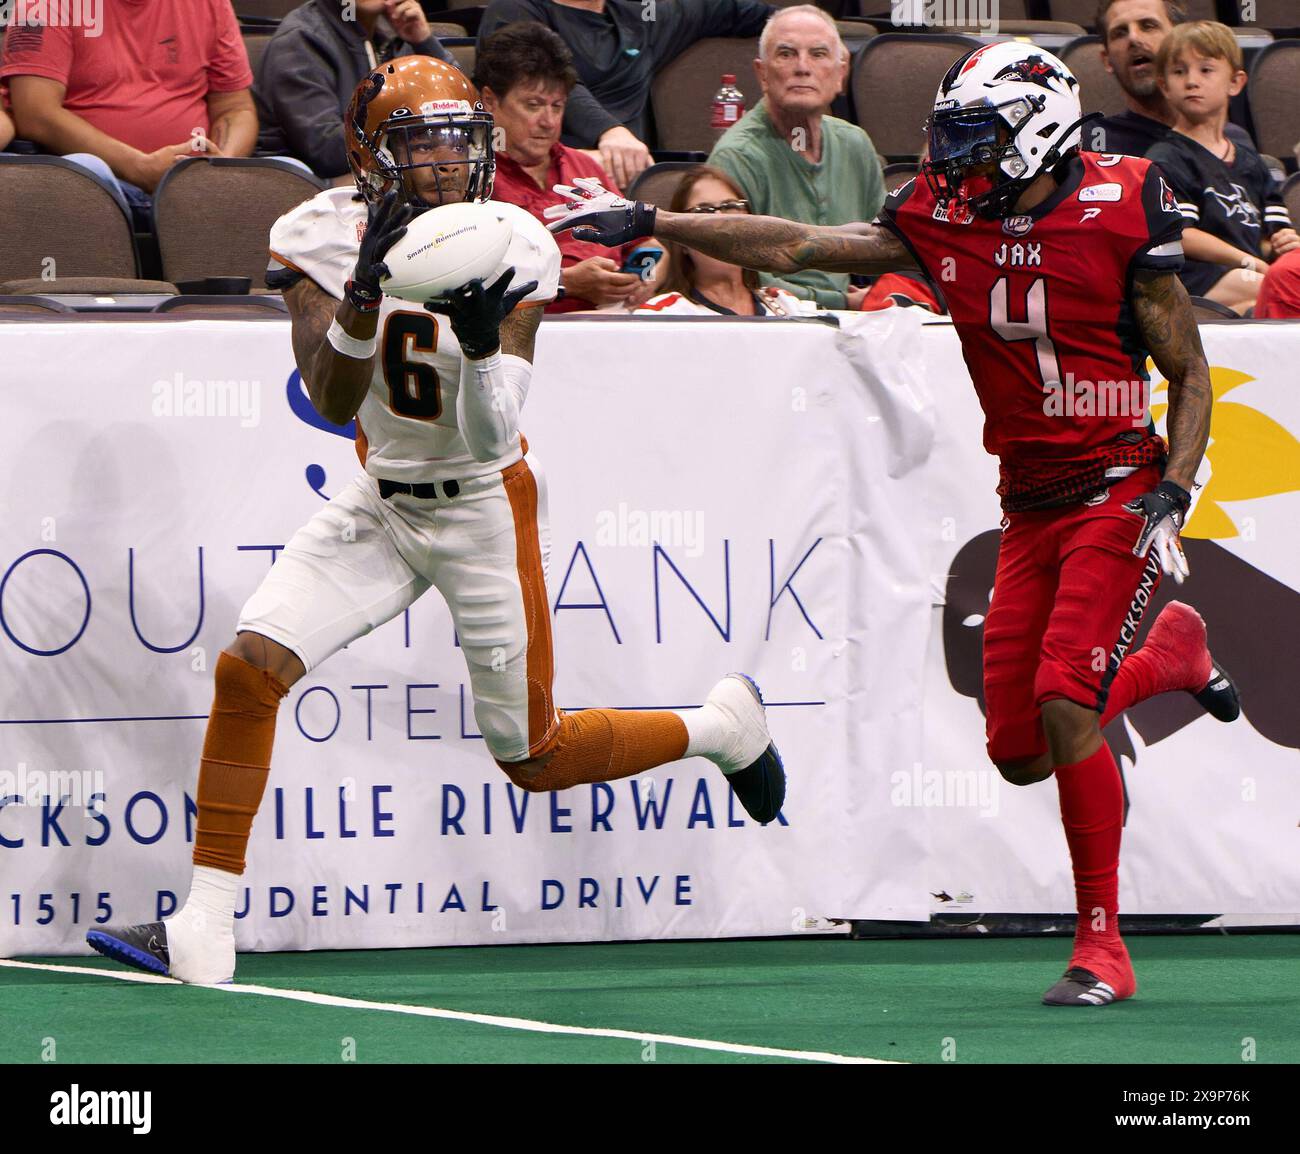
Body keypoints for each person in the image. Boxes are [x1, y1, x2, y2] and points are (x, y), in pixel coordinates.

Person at [549, 42, 1243, 1008]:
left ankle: (1101, 947)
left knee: (1066, 698)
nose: (954, 159)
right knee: (1017, 751)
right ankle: (1169, 655)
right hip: (1029, 500)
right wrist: (654, 216)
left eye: (975, 138)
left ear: (1037, 133)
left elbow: (1190, 371)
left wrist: (1174, 485)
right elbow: (798, 244)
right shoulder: (942, 216)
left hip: (1119, 484)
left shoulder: (1123, 202)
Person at [84, 57, 785, 985]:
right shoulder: (319, 233)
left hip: (484, 502)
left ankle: (720, 727)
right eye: (422, 144)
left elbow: (495, 433)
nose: (448, 163)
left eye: (461, 141)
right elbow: (334, 402)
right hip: (382, 500)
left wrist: (488, 343)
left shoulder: (516, 241)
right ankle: (204, 925)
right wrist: (363, 297)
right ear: (371, 154)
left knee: (533, 756)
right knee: (251, 667)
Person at [1, 0, 255, 227]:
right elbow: (35, 115)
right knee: (88, 170)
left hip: (200, 182)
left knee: (290, 173)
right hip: (106, 184)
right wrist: (139, 168)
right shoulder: (43, 5)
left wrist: (221, 167)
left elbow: (235, 108)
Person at [478, 0, 774, 191]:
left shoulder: (641, 16)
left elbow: (728, 9)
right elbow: (554, 83)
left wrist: (807, 27)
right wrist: (610, 132)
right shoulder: (513, 10)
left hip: (632, 182)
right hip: (547, 178)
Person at [476, 21, 664, 311]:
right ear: (490, 101)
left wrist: (644, 276)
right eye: (534, 105)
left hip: (614, 325)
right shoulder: (471, 181)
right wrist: (564, 284)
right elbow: (468, 288)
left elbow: (648, 246)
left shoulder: (586, 168)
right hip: (526, 337)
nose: (548, 121)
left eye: (557, 106)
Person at [708, 5, 885, 309]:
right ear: (762, 73)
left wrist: (887, 294)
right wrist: (842, 301)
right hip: (768, 322)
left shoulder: (856, 144)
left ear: (841, 73)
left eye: (818, 54)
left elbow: (885, 247)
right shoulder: (736, 157)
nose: (802, 67)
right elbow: (737, 277)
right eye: (786, 54)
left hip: (853, 324)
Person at [1145, 21, 1299, 314]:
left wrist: (1282, 243)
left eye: (1205, 70)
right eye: (1179, 72)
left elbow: (1268, 236)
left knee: (1275, 294)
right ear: (1164, 86)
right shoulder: (1166, 156)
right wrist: (1248, 261)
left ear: (1235, 82)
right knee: (1283, 288)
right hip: (1198, 276)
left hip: (1251, 274)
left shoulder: (1252, 162)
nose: (1191, 81)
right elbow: (1183, 234)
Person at [254, 0, 460, 179]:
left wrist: (424, 43)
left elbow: (466, 112)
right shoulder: (300, 41)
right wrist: (416, 140)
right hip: (308, 190)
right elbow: (328, 152)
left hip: (380, 176)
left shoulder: (394, 33)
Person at [635, 166, 813, 315]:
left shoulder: (787, 305)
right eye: (703, 211)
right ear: (682, 241)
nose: (720, 221)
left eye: (731, 207)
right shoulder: (662, 317)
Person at [1092, 0, 1252, 158]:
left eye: (1148, 26)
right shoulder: (1095, 145)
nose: (1133, 38)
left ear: (1180, 39)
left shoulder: (1235, 142)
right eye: (1120, 33)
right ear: (1107, 60)